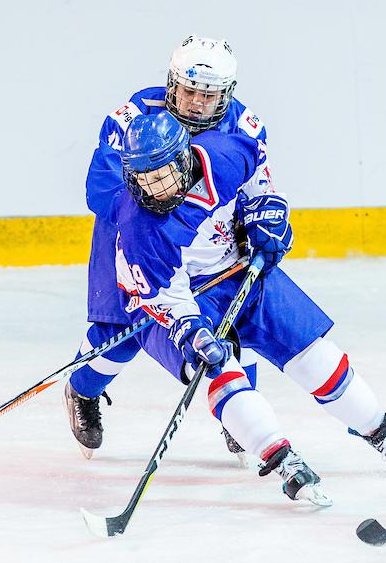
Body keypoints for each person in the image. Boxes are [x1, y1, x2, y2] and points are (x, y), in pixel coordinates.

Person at [112, 111, 386, 505]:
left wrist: (266, 212)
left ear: (183, 158)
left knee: (312, 354)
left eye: (162, 175)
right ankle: (280, 456)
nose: (155, 189)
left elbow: (259, 180)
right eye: (144, 179)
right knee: (219, 370)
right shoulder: (140, 226)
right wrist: (190, 330)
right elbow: (162, 296)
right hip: (176, 299)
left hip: (240, 268)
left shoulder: (225, 155)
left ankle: (380, 431)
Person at [65, 35, 268, 463]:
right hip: (135, 236)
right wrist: (157, 216)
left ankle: (240, 415)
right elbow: (101, 190)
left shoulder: (244, 126)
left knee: (236, 323)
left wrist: (260, 221)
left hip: (215, 242)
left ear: (226, 95)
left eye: (208, 95)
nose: (195, 103)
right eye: (189, 90)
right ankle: (82, 390)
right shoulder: (135, 116)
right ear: (172, 83)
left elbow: (258, 188)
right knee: (122, 335)